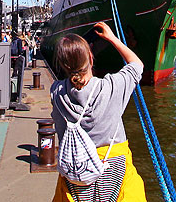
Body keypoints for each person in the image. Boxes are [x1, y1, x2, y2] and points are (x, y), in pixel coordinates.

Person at [50, 22, 147, 202]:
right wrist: (112, 38)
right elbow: (137, 65)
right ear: (91, 57)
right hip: (114, 169)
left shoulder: (56, 92)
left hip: (76, 175)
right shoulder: (109, 88)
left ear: (63, 65)